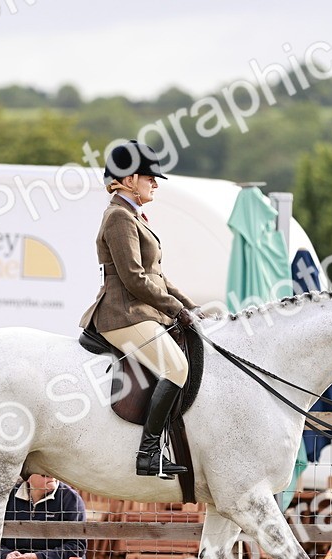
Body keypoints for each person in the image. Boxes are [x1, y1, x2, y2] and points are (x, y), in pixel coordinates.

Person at [79, 139, 202, 479]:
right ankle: (148, 454)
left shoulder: (133, 216)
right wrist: (176, 310)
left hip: (139, 310)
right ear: (131, 179)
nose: (155, 183)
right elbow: (134, 279)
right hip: (123, 314)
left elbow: (158, 277)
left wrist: (193, 308)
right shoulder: (119, 217)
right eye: (150, 177)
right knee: (177, 368)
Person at [0, 473, 86, 559]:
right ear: (28, 477)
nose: (51, 476)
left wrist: (38, 558)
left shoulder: (70, 499)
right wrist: (6, 555)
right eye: (44, 474)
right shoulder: (8, 497)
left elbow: (77, 546)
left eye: (52, 471)